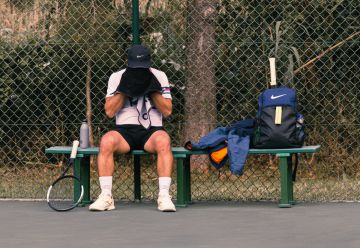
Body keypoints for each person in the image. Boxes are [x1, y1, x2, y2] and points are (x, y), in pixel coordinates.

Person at [89, 45, 176, 212]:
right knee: (106, 141)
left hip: (152, 129)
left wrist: (152, 88)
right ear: (128, 64)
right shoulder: (116, 77)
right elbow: (109, 111)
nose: (139, 71)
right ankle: (106, 196)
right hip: (124, 130)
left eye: (142, 68)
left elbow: (167, 111)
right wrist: (124, 88)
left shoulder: (159, 75)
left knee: (164, 141)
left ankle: (164, 196)